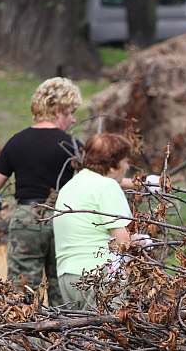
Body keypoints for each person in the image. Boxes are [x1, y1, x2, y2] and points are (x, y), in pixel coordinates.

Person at [0, 77, 82, 304]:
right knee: (61, 288)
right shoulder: (72, 145)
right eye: (71, 112)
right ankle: (66, 336)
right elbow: (96, 178)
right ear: (58, 110)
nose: (73, 119)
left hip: (26, 218)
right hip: (62, 218)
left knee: (21, 291)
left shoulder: (17, 142)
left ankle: (24, 337)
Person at [52, 133, 137, 310]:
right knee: (107, 334)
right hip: (99, 275)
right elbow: (123, 242)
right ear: (114, 164)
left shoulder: (71, 185)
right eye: (125, 161)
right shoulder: (107, 186)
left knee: (82, 335)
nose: (127, 166)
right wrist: (144, 241)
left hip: (68, 275)